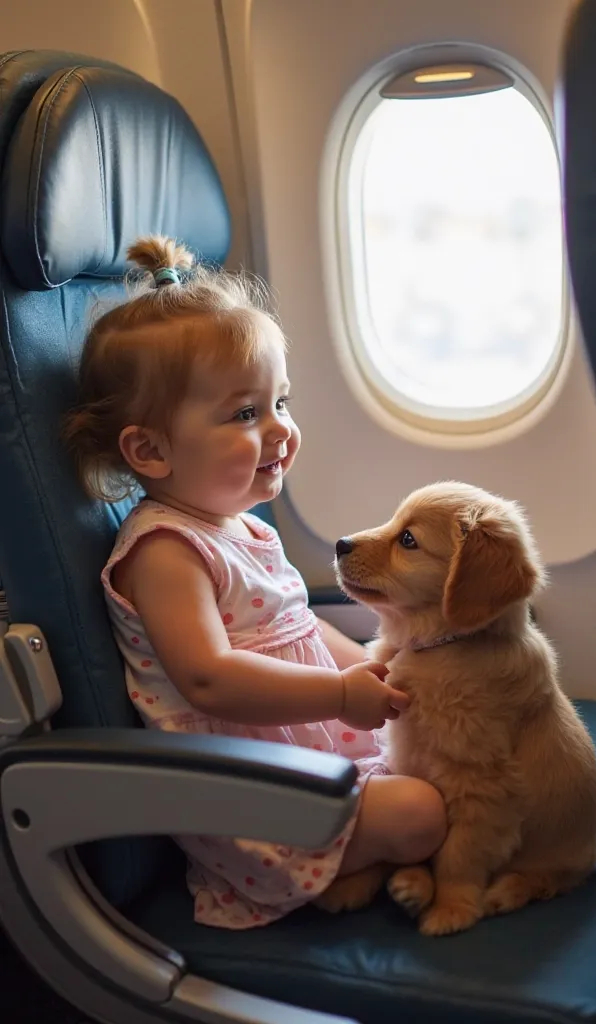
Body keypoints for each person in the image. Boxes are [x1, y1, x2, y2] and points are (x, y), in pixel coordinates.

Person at [63, 235, 447, 928]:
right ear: (149, 450)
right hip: (256, 794)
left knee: (454, 767)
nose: (281, 430)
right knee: (423, 813)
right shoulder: (164, 552)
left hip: (315, 753)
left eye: (282, 402)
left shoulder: (244, 525)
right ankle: (324, 874)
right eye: (246, 413)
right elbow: (208, 678)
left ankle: (362, 863)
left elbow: (297, 624)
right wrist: (338, 691)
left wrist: (375, 667)